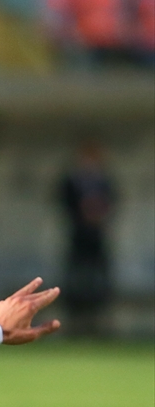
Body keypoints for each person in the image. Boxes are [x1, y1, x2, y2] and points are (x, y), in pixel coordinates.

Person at [57, 140, 116, 335]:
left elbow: (114, 202)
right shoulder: (71, 181)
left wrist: (99, 213)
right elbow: (63, 203)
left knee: (99, 280)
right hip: (78, 238)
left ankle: (97, 320)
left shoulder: (104, 181)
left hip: (97, 238)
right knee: (76, 279)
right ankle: (75, 321)